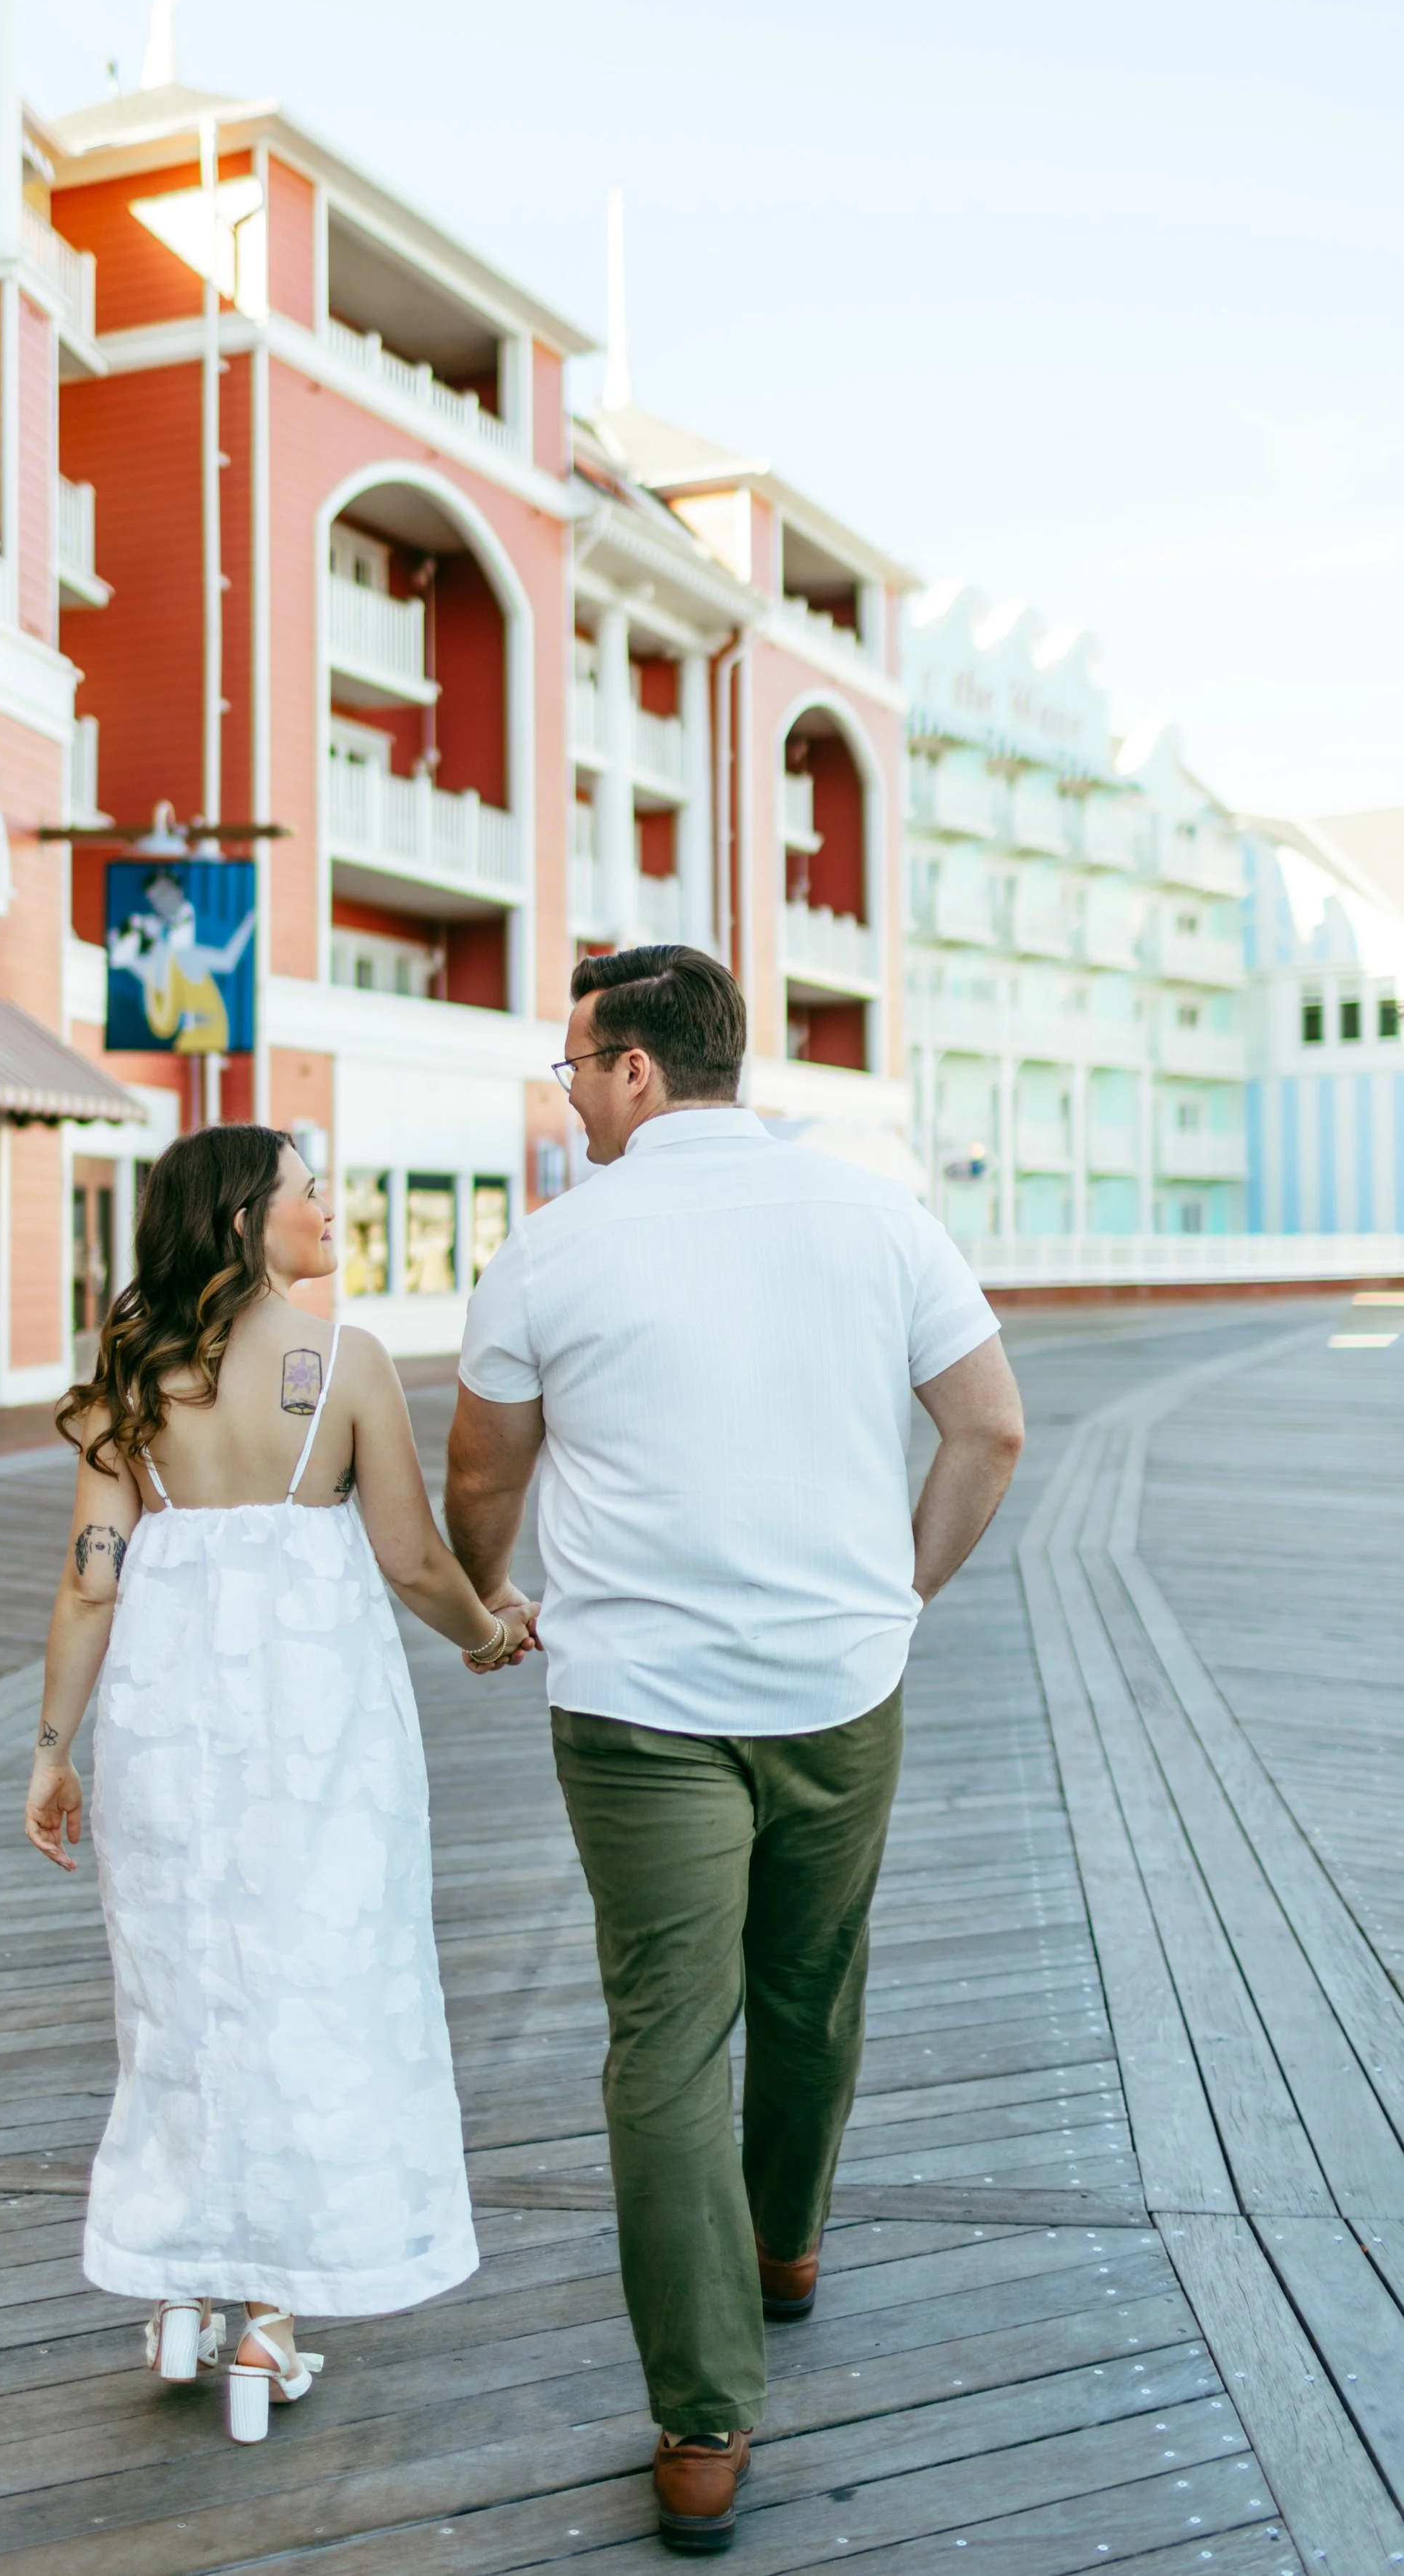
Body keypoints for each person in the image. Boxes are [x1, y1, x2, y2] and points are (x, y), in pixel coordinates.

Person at [445, 947, 1024, 2554]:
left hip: (636, 1705)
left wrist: (489, 1597)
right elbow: (987, 1430)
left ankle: (701, 2417)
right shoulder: (876, 1218)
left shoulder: (551, 1252)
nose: (565, 1098)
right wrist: (892, 1597)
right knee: (808, 1983)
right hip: (840, 1684)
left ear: (635, 1070)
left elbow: (479, 1474)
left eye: (573, 1068)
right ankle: (781, 2247)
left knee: (662, 2040)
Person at [25, 1126, 533, 2446]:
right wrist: (486, 1632)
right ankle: (270, 2316)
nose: (330, 1205)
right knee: (315, 1982)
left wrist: (49, 1748)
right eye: (310, 1189)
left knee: (180, 1986)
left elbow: (92, 1574)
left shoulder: (135, 1374)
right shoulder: (345, 1362)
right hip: (320, 1725)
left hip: (164, 1723)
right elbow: (415, 1560)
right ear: (251, 1216)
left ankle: (187, 2284)